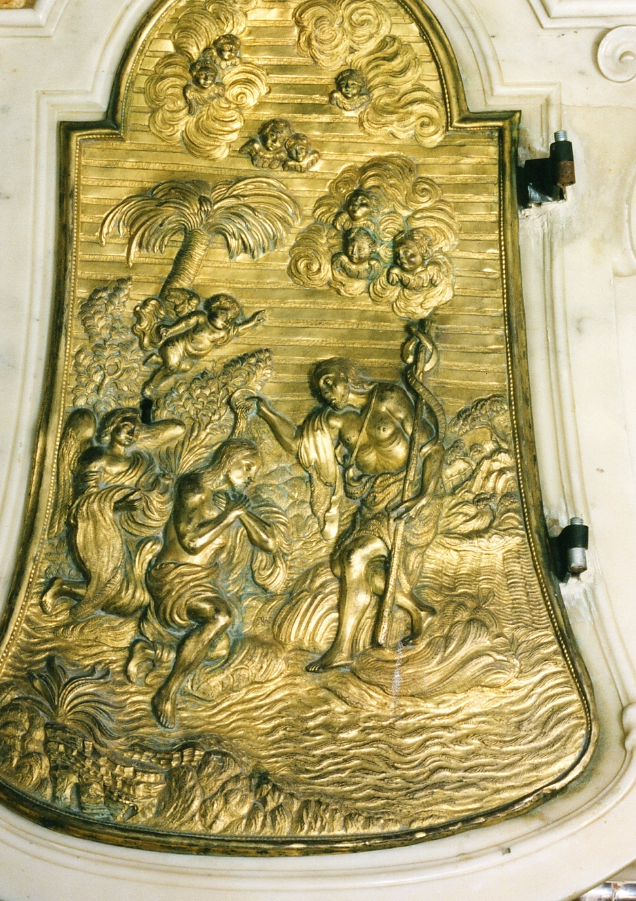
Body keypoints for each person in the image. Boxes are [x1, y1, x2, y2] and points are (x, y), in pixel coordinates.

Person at [252, 338, 443, 669]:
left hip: (410, 497)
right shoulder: (334, 421)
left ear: (348, 376)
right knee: (349, 566)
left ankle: (343, 648)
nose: (326, 392)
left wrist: (423, 495)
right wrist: (264, 410)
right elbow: (298, 444)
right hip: (375, 502)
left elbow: (431, 449)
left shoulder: (388, 397)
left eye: (330, 381)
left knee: (355, 557)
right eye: (320, 389)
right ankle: (417, 610)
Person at [146, 439, 280, 728]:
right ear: (229, 460)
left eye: (255, 472)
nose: (251, 476)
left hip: (203, 582)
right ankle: (167, 693)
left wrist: (241, 512)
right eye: (247, 467)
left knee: (218, 648)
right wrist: (229, 515)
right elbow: (192, 542)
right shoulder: (194, 487)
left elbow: (269, 543)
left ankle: (149, 653)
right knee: (221, 616)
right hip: (174, 576)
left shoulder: (227, 499)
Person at [42, 408, 185, 620]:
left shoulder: (141, 461)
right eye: (127, 428)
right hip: (97, 529)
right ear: (111, 427)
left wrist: (160, 486)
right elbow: (84, 500)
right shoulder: (97, 457)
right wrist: (116, 506)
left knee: (134, 597)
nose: (132, 434)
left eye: (137, 431)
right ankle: (61, 588)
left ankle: (64, 587)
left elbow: (147, 491)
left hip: (129, 530)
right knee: (112, 587)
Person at [143, 294, 267, 399]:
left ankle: (157, 360)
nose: (226, 320)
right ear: (213, 308)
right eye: (224, 313)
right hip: (176, 346)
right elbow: (185, 324)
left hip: (187, 357)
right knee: (172, 367)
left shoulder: (223, 333)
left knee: (185, 368)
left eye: (230, 319)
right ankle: (151, 386)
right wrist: (170, 330)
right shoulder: (201, 318)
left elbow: (238, 330)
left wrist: (253, 322)